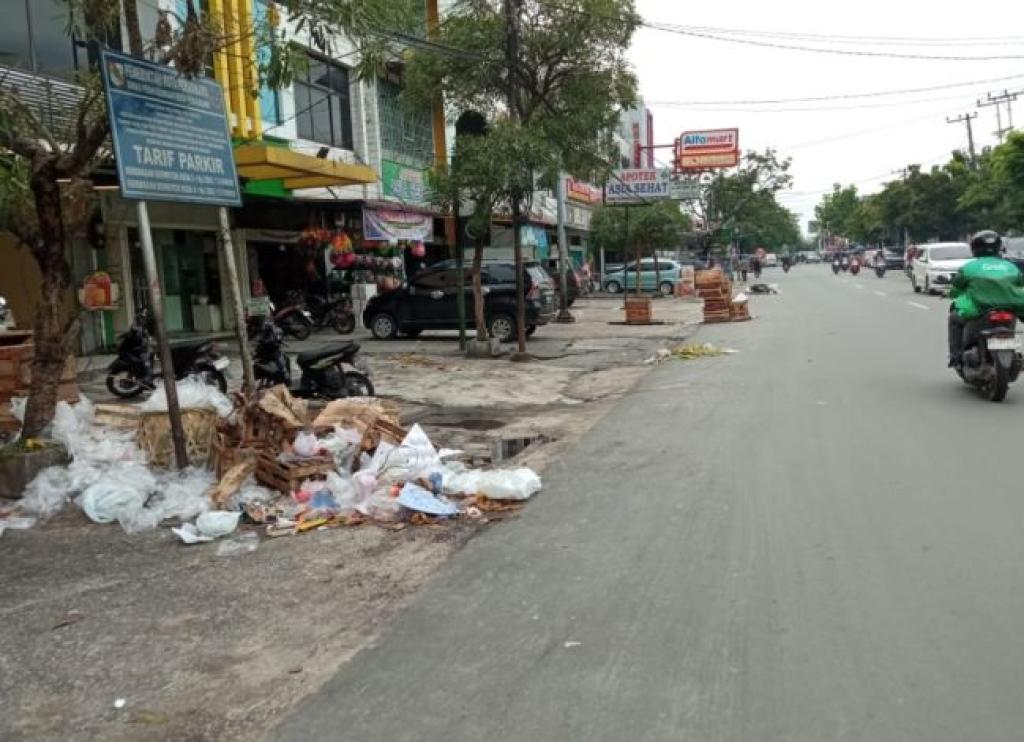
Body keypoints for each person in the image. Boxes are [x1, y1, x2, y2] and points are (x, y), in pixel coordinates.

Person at [947, 230, 1024, 367]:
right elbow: (1020, 284)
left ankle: (956, 357)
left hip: (981, 312)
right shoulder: (1011, 267)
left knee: (954, 318)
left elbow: (956, 289)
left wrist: (951, 293)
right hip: (1011, 309)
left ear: (975, 248)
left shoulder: (969, 268)